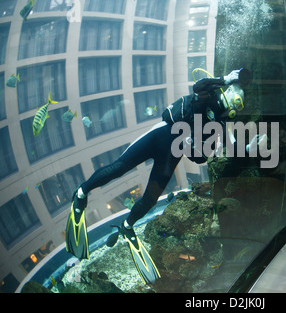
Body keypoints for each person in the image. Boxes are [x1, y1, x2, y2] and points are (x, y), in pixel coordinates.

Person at [65, 68, 259, 284]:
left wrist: (247, 149)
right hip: (161, 135)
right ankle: (81, 192)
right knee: (120, 167)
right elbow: (199, 86)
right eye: (237, 96)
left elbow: (205, 157)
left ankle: (128, 226)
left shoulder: (220, 126)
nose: (237, 103)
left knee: (151, 197)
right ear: (229, 89)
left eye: (240, 102)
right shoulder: (210, 95)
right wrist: (224, 78)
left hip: (172, 154)